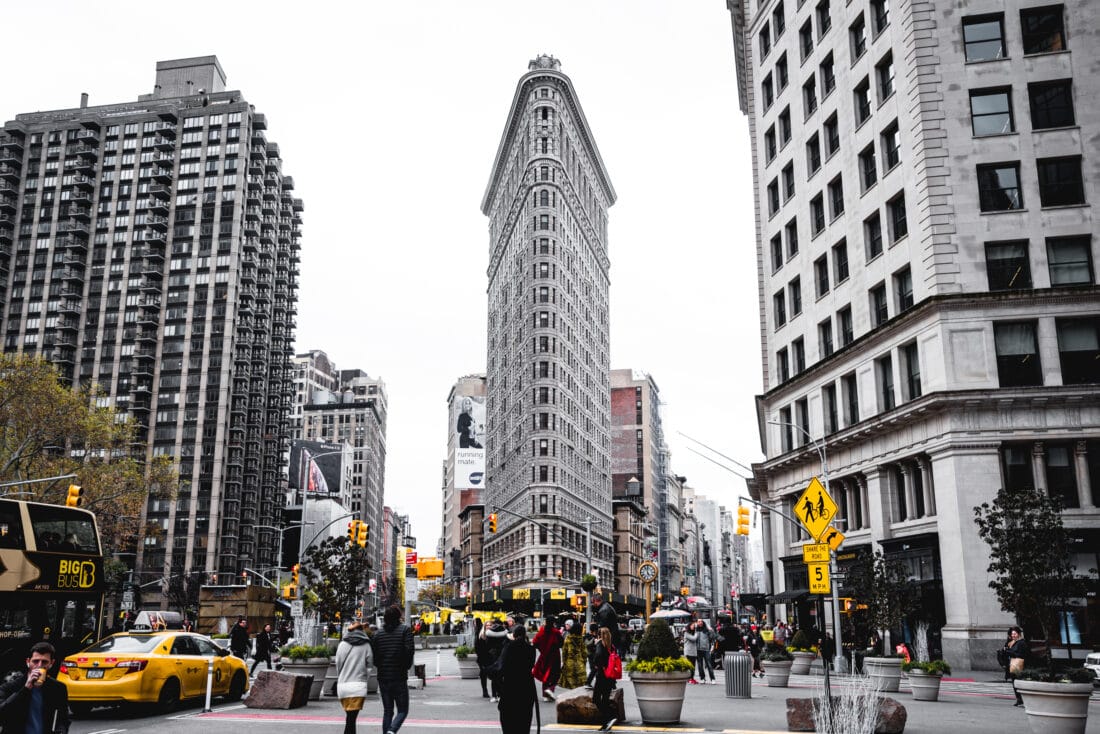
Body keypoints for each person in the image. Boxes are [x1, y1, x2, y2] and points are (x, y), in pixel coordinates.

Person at [0, 641, 70, 734]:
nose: (39, 665)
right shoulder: (10, 687)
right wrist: (26, 688)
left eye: (44, 662)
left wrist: (61, 730)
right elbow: (3, 715)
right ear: (28, 662)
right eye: (35, 661)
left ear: (51, 663)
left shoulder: (58, 688)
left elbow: (63, 719)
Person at [371, 605, 414, 734]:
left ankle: (388, 731)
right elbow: (409, 651)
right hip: (399, 676)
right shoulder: (405, 630)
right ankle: (392, 730)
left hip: (383, 677)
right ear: (398, 616)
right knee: (402, 710)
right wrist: (405, 667)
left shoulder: (378, 634)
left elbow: (375, 656)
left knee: (388, 711)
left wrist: (381, 666)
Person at [492, 625, 537, 734]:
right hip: (527, 688)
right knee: (524, 723)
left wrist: (498, 687)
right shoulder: (531, 649)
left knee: (509, 723)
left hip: (510, 688)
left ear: (514, 635)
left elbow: (499, 668)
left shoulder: (509, 647)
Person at [335, 621, 373, 734]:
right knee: (351, 719)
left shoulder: (342, 645)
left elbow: (338, 664)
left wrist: (341, 677)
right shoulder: (366, 646)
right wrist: (364, 680)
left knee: (350, 718)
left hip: (343, 686)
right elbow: (369, 667)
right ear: (361, 631)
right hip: (358, 686)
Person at [591, 627, 618, 731]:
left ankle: (609, 718)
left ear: (599, 635)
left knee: (596, 699)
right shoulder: (611, 645)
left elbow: (597, 656)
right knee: (605, 699)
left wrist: (597, 665)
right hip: (610, 677)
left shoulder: (599, 644)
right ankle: (606, 722)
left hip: (602, 676)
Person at [531, 617, 563, 701]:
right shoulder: (556, 632)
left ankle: (545, 695)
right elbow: (561, 643)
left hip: (544, 656)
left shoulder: (541, 632)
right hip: (554, 656)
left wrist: (541, 649)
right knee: (555, 674)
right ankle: (550, 689)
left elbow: (534, 642)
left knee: (545, 675)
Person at [478, 618, 508, 701]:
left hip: (492, 657)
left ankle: (494, 695)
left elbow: (486, 645)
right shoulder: (504, 633)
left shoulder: (489, 634)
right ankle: (499, 694)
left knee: (494, 677)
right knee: (500, 677)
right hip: (502, 657)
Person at [560, 618, 588, 689]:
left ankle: (572, 698)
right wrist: (584, 662)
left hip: (569, 664)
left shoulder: (568, 638)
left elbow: (564, 652)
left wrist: (564, 662)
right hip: (579, 663)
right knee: (579, 685)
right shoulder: (581, 639)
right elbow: (584, 653)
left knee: (571, 684)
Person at [1005, 626, 1029, 706]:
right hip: (1013, 664)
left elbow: (1021, 654)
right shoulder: (1012, 642)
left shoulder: (1021, 643)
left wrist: (1010, 652)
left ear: (1018, 634)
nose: (1013, 635)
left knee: (1018, 682)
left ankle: (1022, 699)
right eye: (1012, 634)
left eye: (1015, 634)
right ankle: (1019, 699)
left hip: (1019, 664)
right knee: (1014, 683)